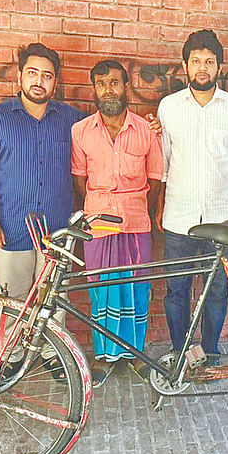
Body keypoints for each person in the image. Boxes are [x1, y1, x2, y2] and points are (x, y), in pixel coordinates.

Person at [0, 43, 84, 380]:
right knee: (12, 299)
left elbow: (107, 134)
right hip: (11, 227)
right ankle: (11, 356)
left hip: (57, 230)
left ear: (55, 82)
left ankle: (51, 354)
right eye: (32, 73)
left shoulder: (72, 120)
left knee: (52, 298)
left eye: (47, 76)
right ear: (20, 75)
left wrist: (151, 127)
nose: (39, 81)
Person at [156, 30, 228, 367]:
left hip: (221, 221)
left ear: (219, 67)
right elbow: (165, 160)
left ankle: (210, 353)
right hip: (180, 219)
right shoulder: (169, 107)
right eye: (196, 61)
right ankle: (181, 352)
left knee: (216, 292)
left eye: (209, 62)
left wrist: (221, 182)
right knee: (177, 291)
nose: (202, 68)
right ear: (185, 66)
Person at [71, 60, 163, 387]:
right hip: (99, 223)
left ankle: (135, 354)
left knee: (137, 288)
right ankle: (104, 355)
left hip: (136, 221)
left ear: (126, 86)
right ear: (94, 90)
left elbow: (155, 179)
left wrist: (137, 207)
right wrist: (101, 205)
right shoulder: (80, 132)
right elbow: (80, 181)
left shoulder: (146, 131)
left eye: (114, 82)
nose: (108, 89)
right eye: (101, 84)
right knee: (101, 289)